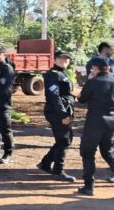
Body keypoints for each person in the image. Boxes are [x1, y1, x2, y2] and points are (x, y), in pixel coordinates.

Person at [75, 57, 114, 196]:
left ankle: (88, 186)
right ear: (108, 68)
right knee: (108, 151)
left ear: (95, 69)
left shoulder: (93, 82)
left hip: (95, 122)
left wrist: (89, 81)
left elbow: (81, 99)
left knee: (88, 153)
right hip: (111, 122)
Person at [37, 51, 77, 182]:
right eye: (61, 58)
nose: (64, 61)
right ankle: (58, 171)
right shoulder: (53, 74)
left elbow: (66, 93)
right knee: (64, 140)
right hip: (57, 112)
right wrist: (63, 115)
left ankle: (45, 163)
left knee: (65, 139)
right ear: (55, 60)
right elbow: (54, 97)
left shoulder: (63, 73)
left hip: (64, 110)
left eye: (66, 59)